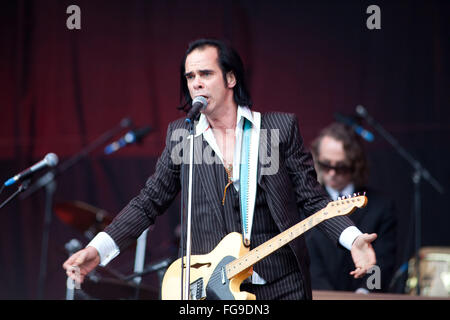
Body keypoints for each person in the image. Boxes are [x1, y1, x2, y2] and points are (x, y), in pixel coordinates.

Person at [63, 38, 377, 300]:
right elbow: (148, 203)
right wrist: (97, 250)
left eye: (205, 73)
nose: (195, 82)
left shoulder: (274, 131)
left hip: (280, 284)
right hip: (214, 286)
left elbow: (313, 200)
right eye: (189, 77)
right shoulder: (184, 136)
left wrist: (353, 238)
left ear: (230, 78)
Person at [306, 122, 397, 293]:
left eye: (340, 167)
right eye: (325, 165)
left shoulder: (381, 207)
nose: (332, 173)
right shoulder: (306, 204)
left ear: (355, 165)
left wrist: (365, 293)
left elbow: (383, 261)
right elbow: (307, 260)